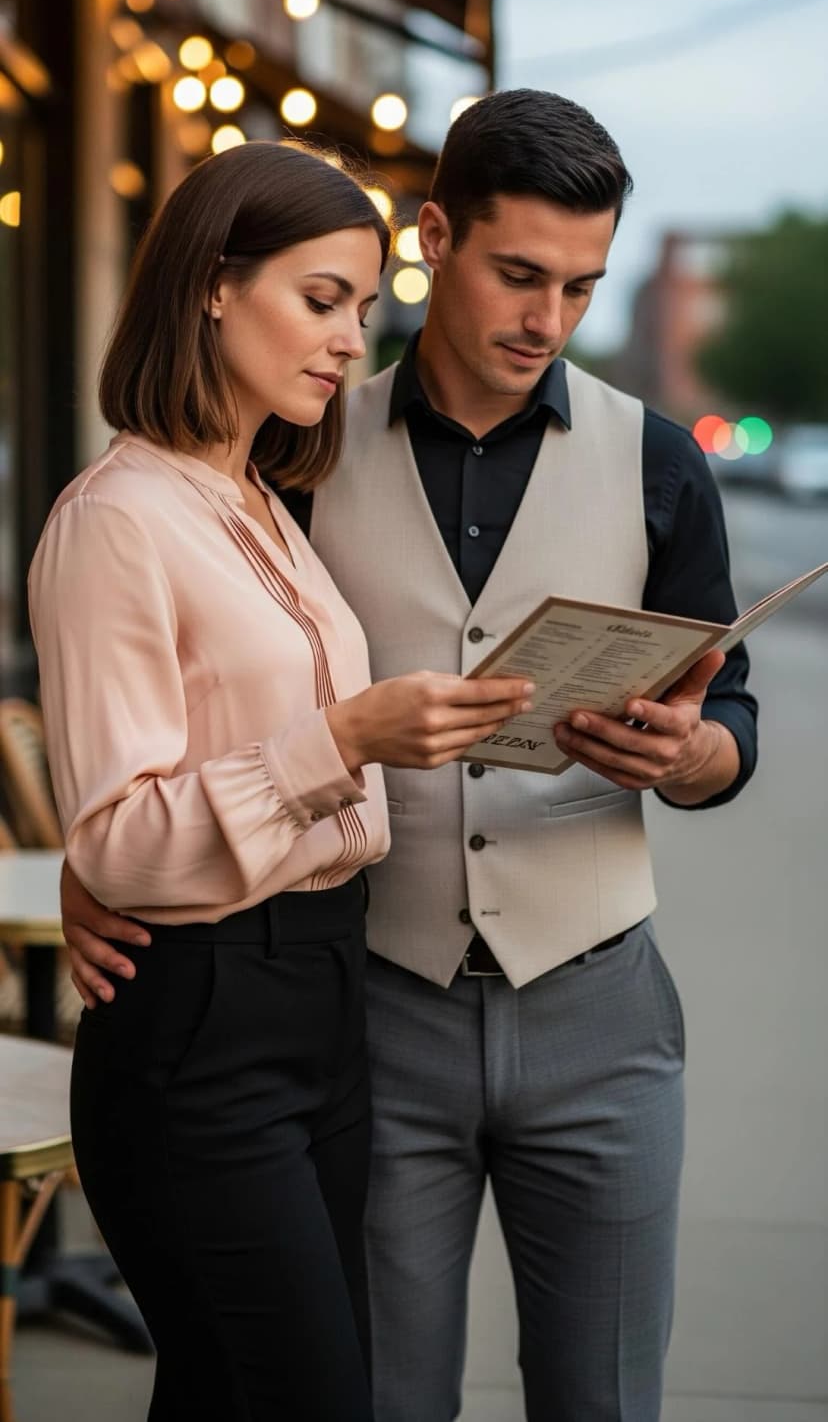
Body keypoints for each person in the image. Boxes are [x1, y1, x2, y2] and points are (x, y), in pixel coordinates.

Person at [60, 93, 758, 1422]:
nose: (547, 318)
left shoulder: (661, 464)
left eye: (581, 286)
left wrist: (691, 753)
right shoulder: (294, 453)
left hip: (599, 1007)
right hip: (375, 1005)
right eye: (519, 274)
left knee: (603, 1399)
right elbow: (184, 712)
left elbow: (735, 721)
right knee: (376, 1396)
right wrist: (98, 869)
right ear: (438, 237)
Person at [28, 140, 532, 1422]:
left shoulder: (260, 504)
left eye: (362, 307)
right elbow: (119, 844)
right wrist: (346, 736)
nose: (350, 340)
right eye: (320, 299)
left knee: (235, 1393)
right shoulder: (116, 519)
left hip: (321, 993)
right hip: (202, 1017)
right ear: (213, 284)